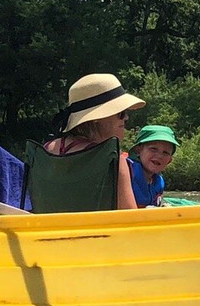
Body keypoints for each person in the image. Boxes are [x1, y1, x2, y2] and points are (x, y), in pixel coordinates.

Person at [46, 73, 144, 210]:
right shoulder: (112, 159)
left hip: (51, 230)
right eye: (121, 113)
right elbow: (130, 220)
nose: (126, 117)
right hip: (98, 231)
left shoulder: (46, 151)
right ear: (98, 116)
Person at [128, 125, 179, 207]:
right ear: (138, 150)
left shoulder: (159, 182)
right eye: (153, 149)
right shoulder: (127, 171)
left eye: (165, 153)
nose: (159, 156)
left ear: (169, 161)